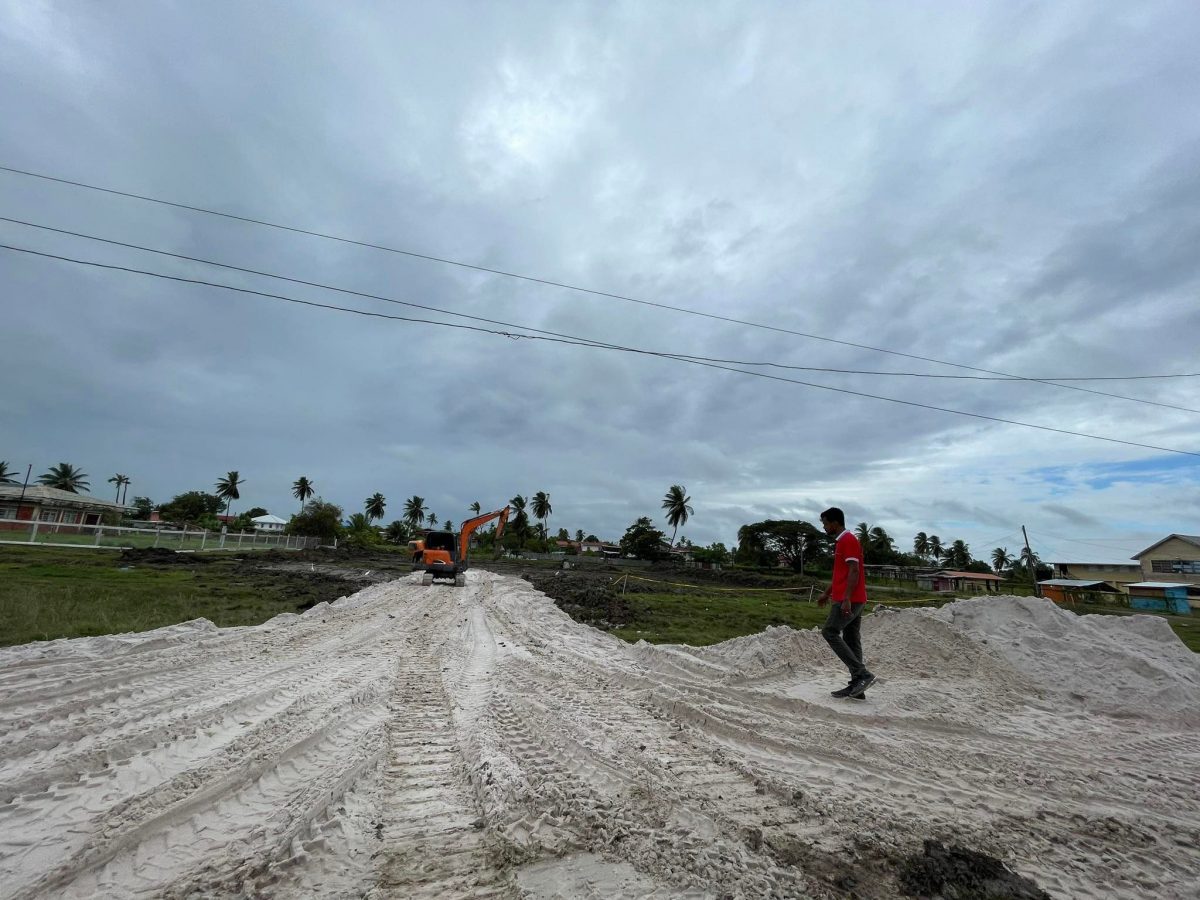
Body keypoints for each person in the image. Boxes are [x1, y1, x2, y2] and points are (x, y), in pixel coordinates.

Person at [816, 507, 875, 699]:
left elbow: (854, 571)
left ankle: (862, 674)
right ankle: (858, 686)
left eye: (825, 523)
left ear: (834, 522)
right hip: (853, 598)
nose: (824, 527)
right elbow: (840, 575)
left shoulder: (848, 541)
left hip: (849, 599)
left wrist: (847, 598)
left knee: (830, 632)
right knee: (851, 638)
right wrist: (826, 594)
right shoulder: (843, 542)